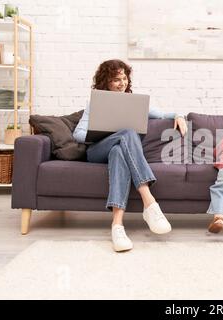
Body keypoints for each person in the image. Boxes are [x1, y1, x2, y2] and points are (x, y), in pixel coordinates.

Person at [73, 59, 187, 252]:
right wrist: (105, 133)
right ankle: (149, 202)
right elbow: (77, 134)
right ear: (106, 82)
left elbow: (161, 114)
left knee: (119, 151)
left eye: (124, 78)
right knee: (127, 133)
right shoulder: (96, 103)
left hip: (116, 152)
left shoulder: (134, 103)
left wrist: (179, 115)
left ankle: (117, 226)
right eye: (116, 79)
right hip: (97, 151)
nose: (122, 83)